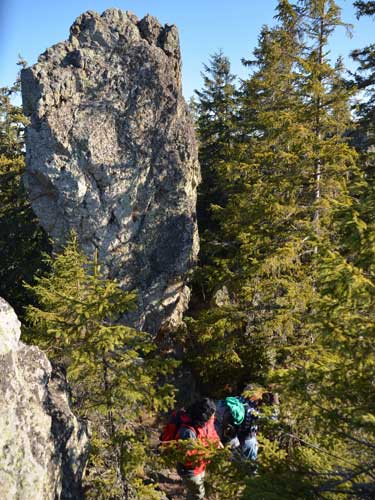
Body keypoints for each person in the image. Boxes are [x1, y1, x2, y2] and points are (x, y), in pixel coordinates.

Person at [215, 387, 279, 462]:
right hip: (247, 441)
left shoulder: (235, 400)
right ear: (254, 395)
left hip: (232, 439)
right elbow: (273, 419)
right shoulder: (252, 411)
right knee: (251, 468)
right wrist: (275, 399)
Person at [175, 397, 221, 500]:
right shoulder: (188, 432)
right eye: (211, 415)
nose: (213, 417)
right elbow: (187, 458)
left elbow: (212, 431)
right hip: (190, 470)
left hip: (201, 466)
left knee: (195, 490)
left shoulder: (206, 421)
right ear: (203, 416)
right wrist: (209, 453)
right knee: (198, 494)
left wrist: (218, 442)